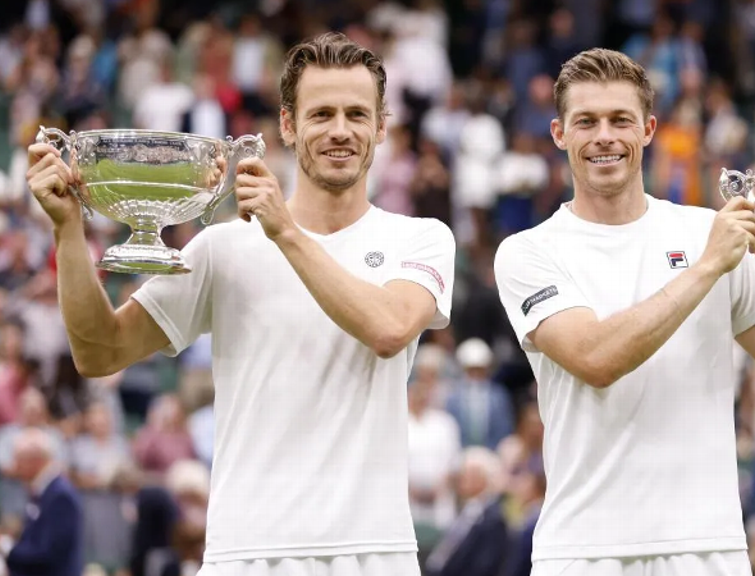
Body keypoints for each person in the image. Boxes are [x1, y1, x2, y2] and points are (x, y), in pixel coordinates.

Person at [25, 32, 456, 576]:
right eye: (321, 113)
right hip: (243, 555)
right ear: (288, 124)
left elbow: (389, 328)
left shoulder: (420, 238)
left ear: (382, 126)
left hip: (374, 556)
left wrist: (285, 231)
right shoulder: (223, 247)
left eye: (357, 113)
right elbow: (100, 352)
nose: (340, 130)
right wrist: (67, 231)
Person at [493, 48, 755, 576]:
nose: (604, 135)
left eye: (620, 120)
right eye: (587, 121)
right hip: (583, 551)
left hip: (709, 548)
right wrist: (705, 267)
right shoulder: (528, 251)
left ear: (648, 129)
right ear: (560, 134)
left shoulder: (703, 230)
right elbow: (594, 357)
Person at [0, 427, 83, 576]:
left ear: (35, 461)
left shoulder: (59, 496)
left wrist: (1, 544)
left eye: (18, 460)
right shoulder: (43, 491)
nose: (15, 467)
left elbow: (47, 555)